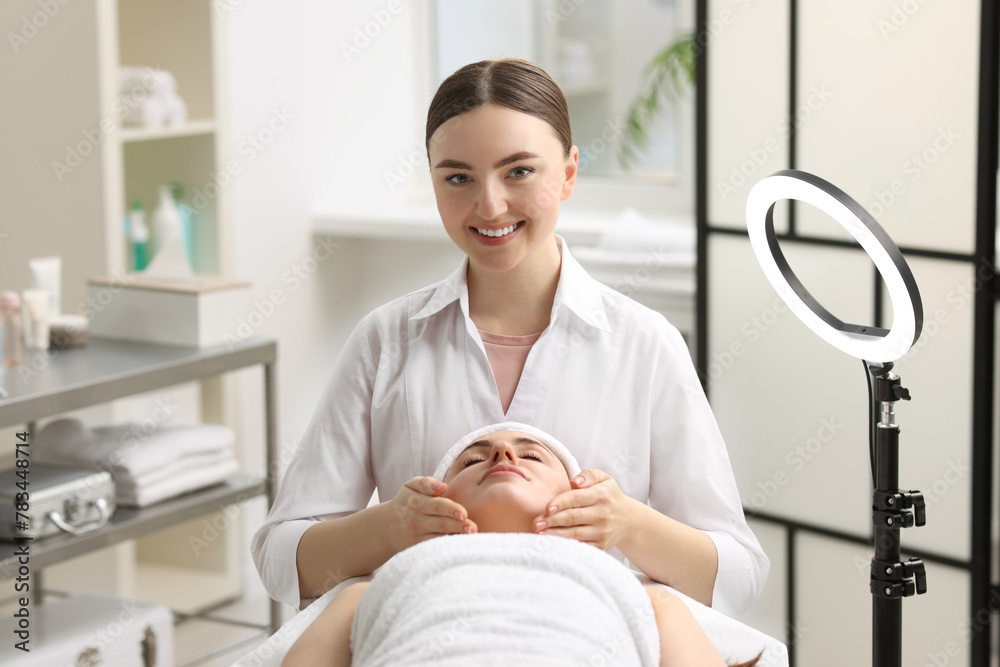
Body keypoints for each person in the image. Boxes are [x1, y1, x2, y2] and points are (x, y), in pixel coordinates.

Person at [252, 57, 767, 618]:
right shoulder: (385, 342)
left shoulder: (645, 345)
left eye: (518, 171)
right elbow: (280, 560)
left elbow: (738, 574)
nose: (489, 205)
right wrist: (386, 527)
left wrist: (628, 524)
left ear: (569, 172)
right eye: (458, 178)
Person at [281, 426, 763, 667]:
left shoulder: (642, 596)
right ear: (434, 503)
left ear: (581, 502)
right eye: (473, 461)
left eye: (531, 455)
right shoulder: (368, 590)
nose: (502, 454)